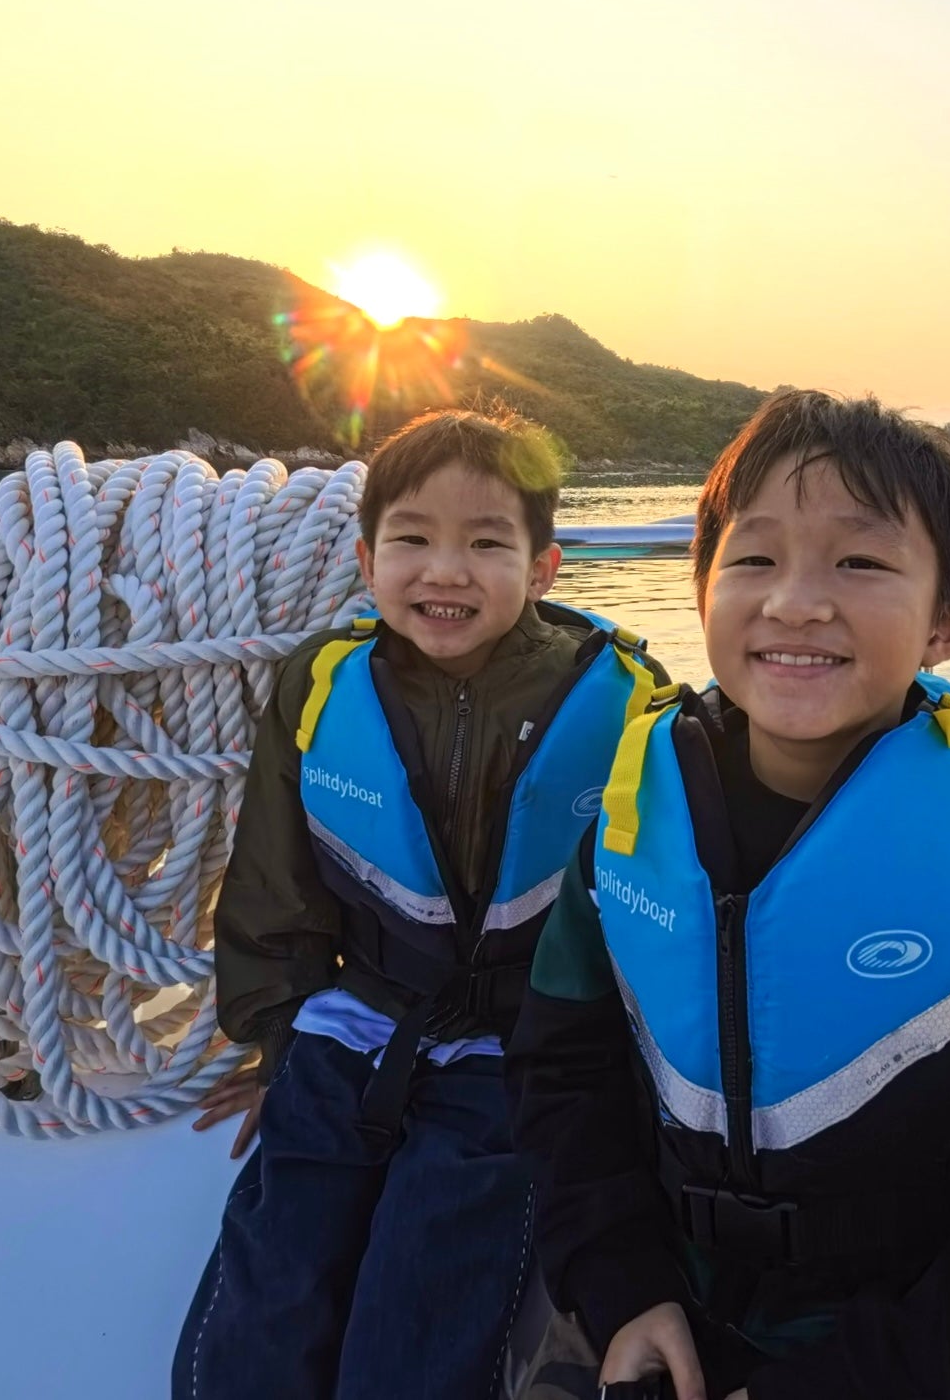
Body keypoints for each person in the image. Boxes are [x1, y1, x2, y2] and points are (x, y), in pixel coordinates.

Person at [506, 390, 950, 1400]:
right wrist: (622, 1284)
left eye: (859, 562)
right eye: (754, 559)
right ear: (702, 590)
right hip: (654, 1302)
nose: (796, 602)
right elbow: (562, 1070)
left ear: (948, 622)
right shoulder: (630, 830)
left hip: (902, 1353)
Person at [175, 407, 664, 1400]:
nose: (446, 570)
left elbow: (656, 903)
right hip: (358, 1017)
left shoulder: (626, 699)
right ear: (368, 561)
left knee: (429, 1287)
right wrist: (275, 1042)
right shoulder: (321, 683)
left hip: (523, 1045)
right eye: (412, 540)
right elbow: (273, 879)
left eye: (486, 543)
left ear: (544, 567)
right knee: (275, 1284)